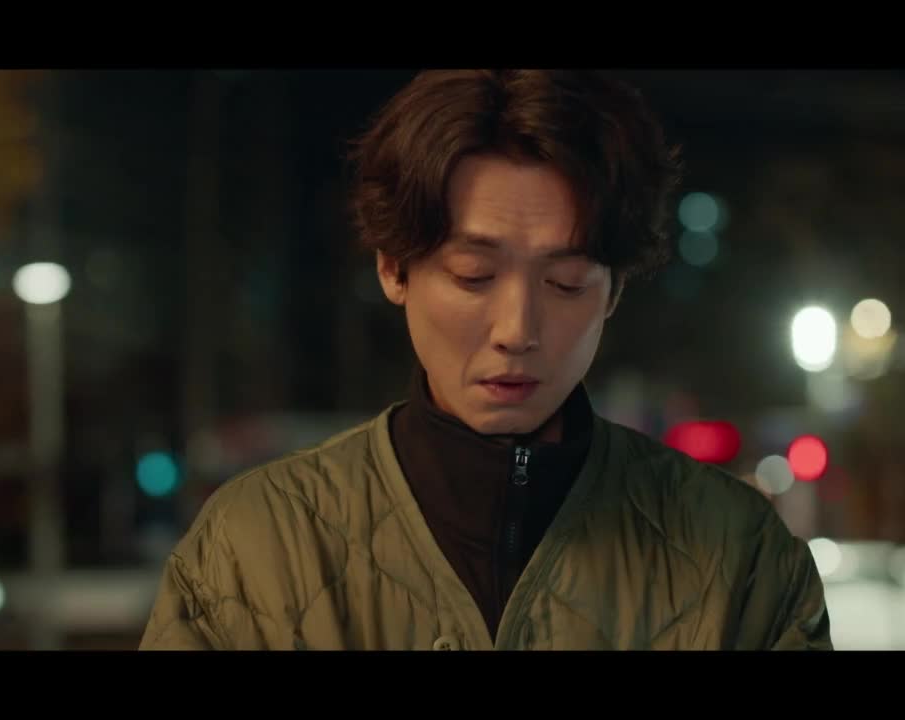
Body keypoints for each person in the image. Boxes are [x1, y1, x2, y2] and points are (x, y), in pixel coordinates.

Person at [139, 69, 832, 651]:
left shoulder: (739, 558)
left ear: (615, 290)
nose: (517, 330)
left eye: (565, 283)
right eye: (473, 275)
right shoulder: (253, 550)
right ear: (394, 267)